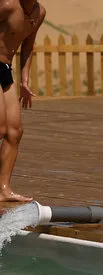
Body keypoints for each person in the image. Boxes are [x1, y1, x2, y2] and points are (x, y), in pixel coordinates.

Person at [0, 0, 46, 202]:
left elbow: (28, 46)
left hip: (5, 69)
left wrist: (24, 80)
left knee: (14, 131)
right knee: (0, 127)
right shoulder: (8, 5)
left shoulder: (39, 13)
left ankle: (3, 190)